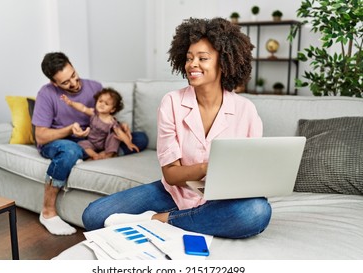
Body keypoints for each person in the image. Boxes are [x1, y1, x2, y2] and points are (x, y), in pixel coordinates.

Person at [82, 17, 272, 239]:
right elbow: (172, 174)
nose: (192, 65)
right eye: (189, 58)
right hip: (176, 191)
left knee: (257, 212)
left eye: (203, 58)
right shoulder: (172, 102)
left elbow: (250, 173)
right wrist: (208, 168)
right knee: (94, 216)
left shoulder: (245, 110)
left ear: (224, 63)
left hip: (222, 197)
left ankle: (158, 220)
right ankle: (196, 219)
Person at [32, 52, 148, 235]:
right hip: (61, 141)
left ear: (72, 65)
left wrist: (119, 126)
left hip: (93, 139)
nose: (73, 82)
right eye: (65, 82)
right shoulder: (46, 94)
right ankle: (47, 212)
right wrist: (70, 129)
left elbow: (103, 117)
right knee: (70, 150)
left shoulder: (94, 86)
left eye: (73, 74)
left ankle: (88, 155)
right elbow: (41, 137)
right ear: (54, 83)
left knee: (140, 138)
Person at [60, 87, 140, 160]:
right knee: (81, 144)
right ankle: (95, 155)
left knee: (114, 136)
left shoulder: (112, 121)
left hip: (104, 144)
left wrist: (129, 143)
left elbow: (120, 133)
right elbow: (82, 108)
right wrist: (70, 103)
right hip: (91, 141)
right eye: (100, 101)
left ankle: (108, 153)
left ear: (112, 109)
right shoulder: (94, 113)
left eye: (106, 104)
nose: (102, 104)